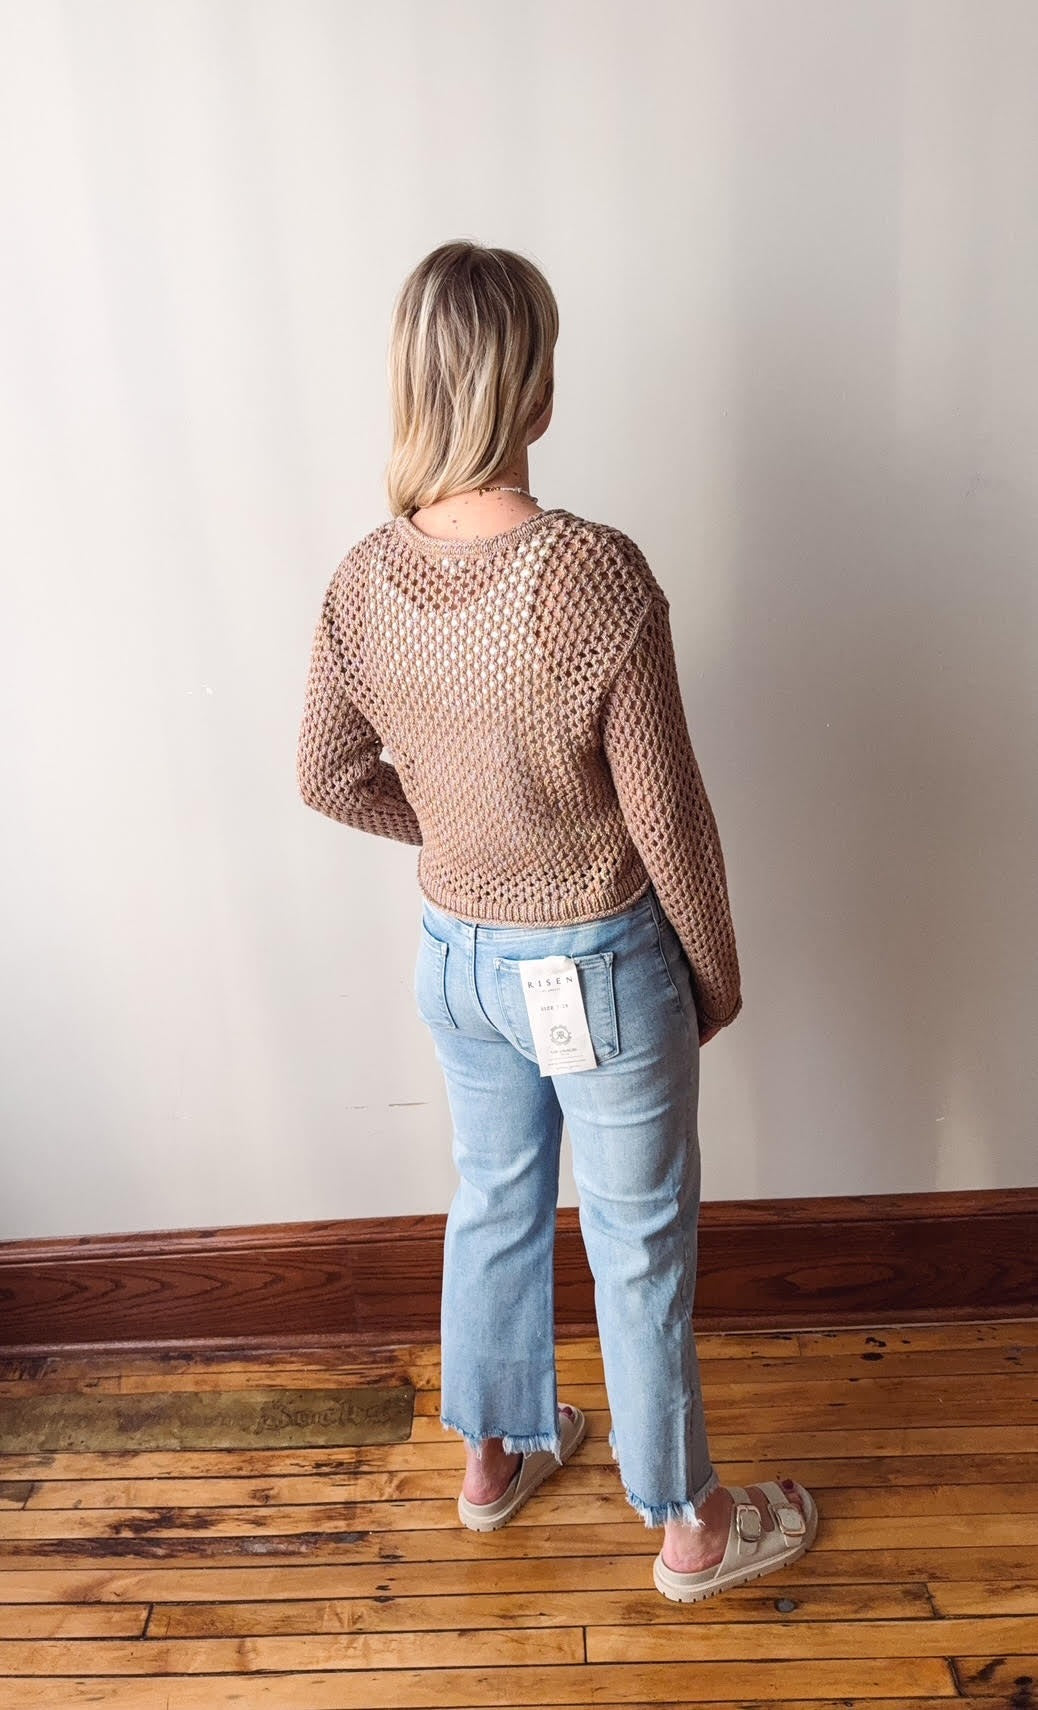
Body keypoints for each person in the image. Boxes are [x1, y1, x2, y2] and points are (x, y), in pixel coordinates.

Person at [296, 239, 817, 1601]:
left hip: (453, 964)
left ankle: (494, 1456)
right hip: (595, 958)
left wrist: (464, 837)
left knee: (493, 1202)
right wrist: (713, 974)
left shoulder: (362, 576)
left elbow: (325, 772)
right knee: (637, 1245)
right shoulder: (587, 572)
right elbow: (671, 820)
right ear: (527, 382)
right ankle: (693, 1524)